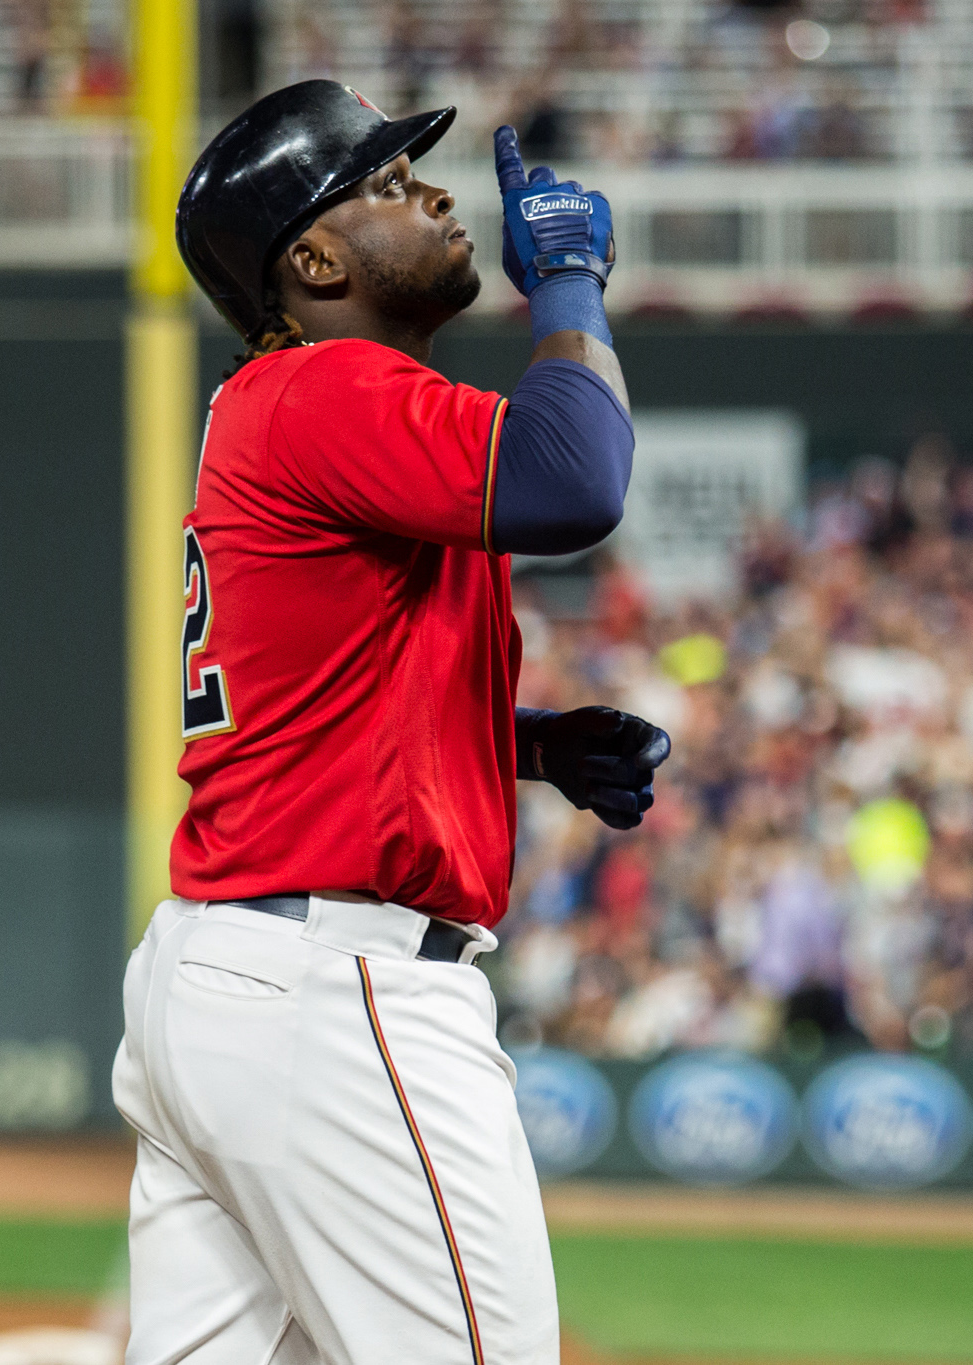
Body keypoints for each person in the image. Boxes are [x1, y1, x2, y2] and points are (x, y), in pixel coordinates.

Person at [112, 80, 670, 1365]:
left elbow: (322, 698)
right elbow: (573, 478)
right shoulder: (323, 390)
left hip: (232, 974)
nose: (429, 191)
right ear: (310, 261)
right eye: (381, 182)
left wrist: (518, 744)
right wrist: (572, 285)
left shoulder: (292, 415)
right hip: (337, 996)